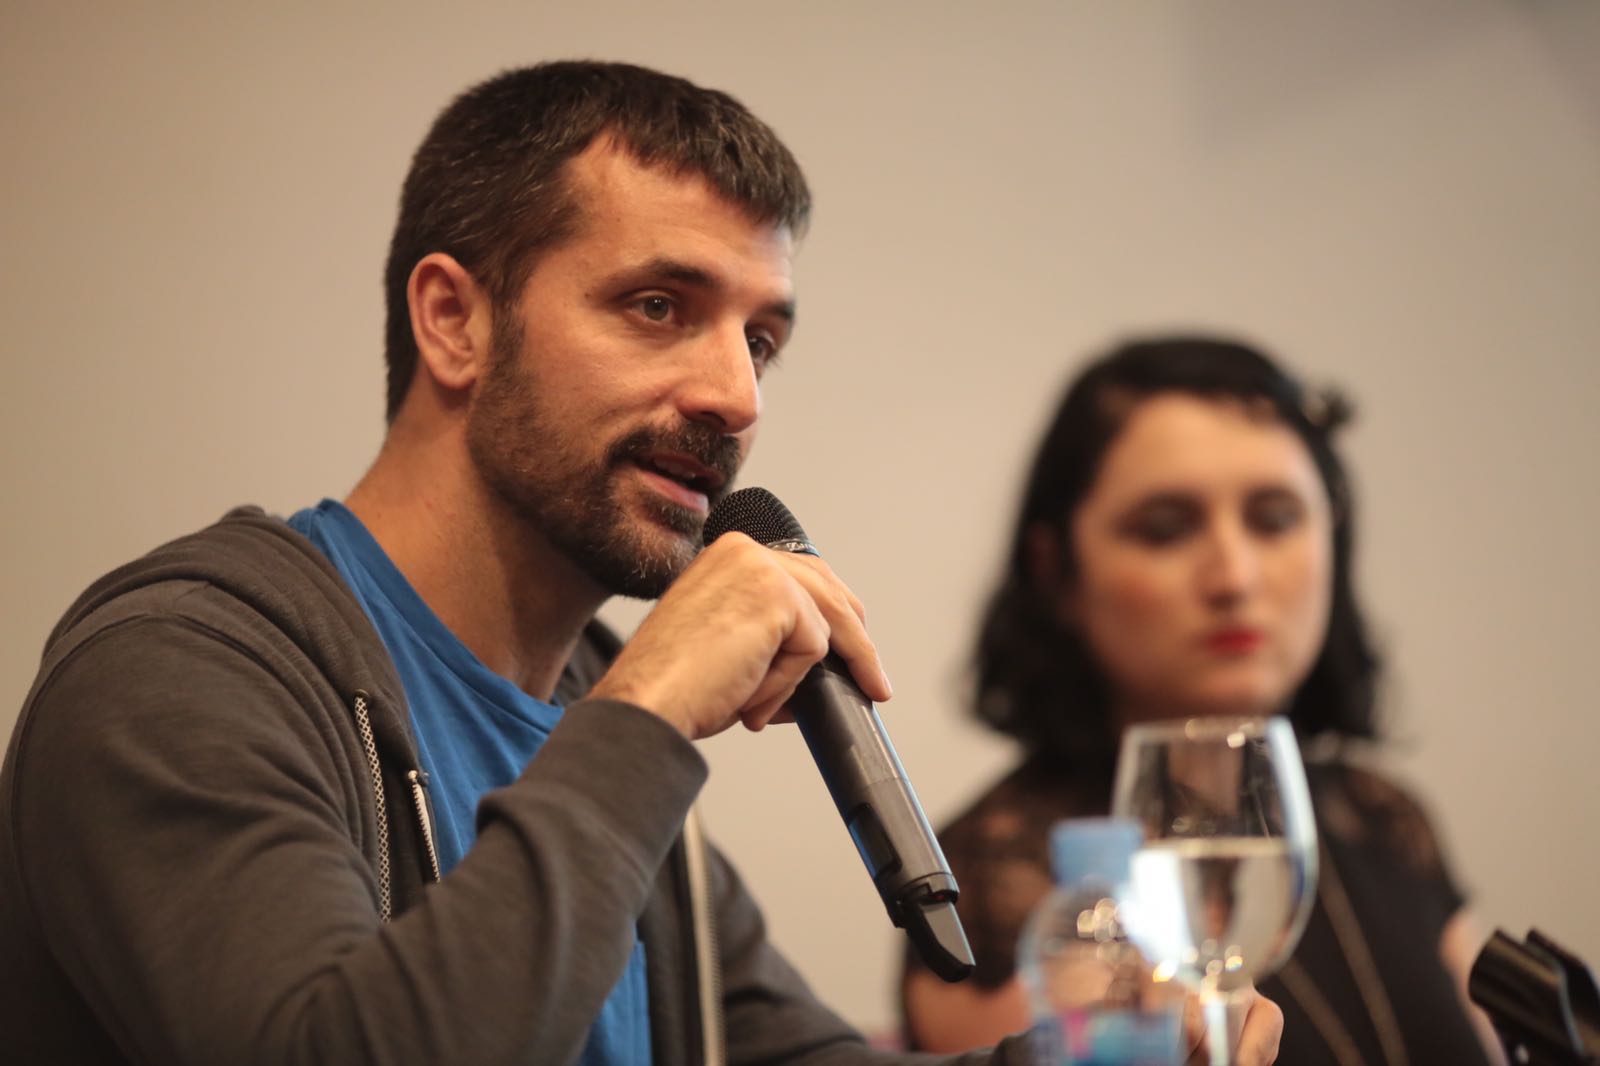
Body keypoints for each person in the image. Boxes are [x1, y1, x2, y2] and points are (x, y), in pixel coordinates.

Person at [0, 63, 1282, 1065]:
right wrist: (650, 714)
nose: (735, 396)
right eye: (658, 306)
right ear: (454, 319)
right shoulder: (180, 675)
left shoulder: (591, 704)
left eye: (761, 340)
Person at [900, 335, 1505, 1064]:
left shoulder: (1382, 815)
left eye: (1275, 518)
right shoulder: (998, 870)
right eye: (1166, 528)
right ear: (1055, 570)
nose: (1234, 575)